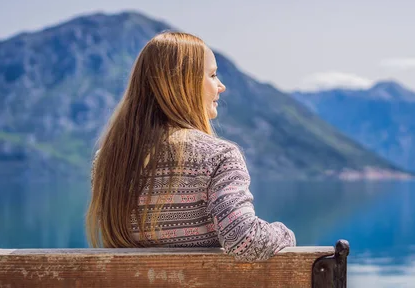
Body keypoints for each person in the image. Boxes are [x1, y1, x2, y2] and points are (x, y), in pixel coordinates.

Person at [85, 31, 296, 262]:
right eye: (213, 75)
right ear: (186, 83)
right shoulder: (219, 157)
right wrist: (284, 234)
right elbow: (243, 239)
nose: (221, 86)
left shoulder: (107, 162)